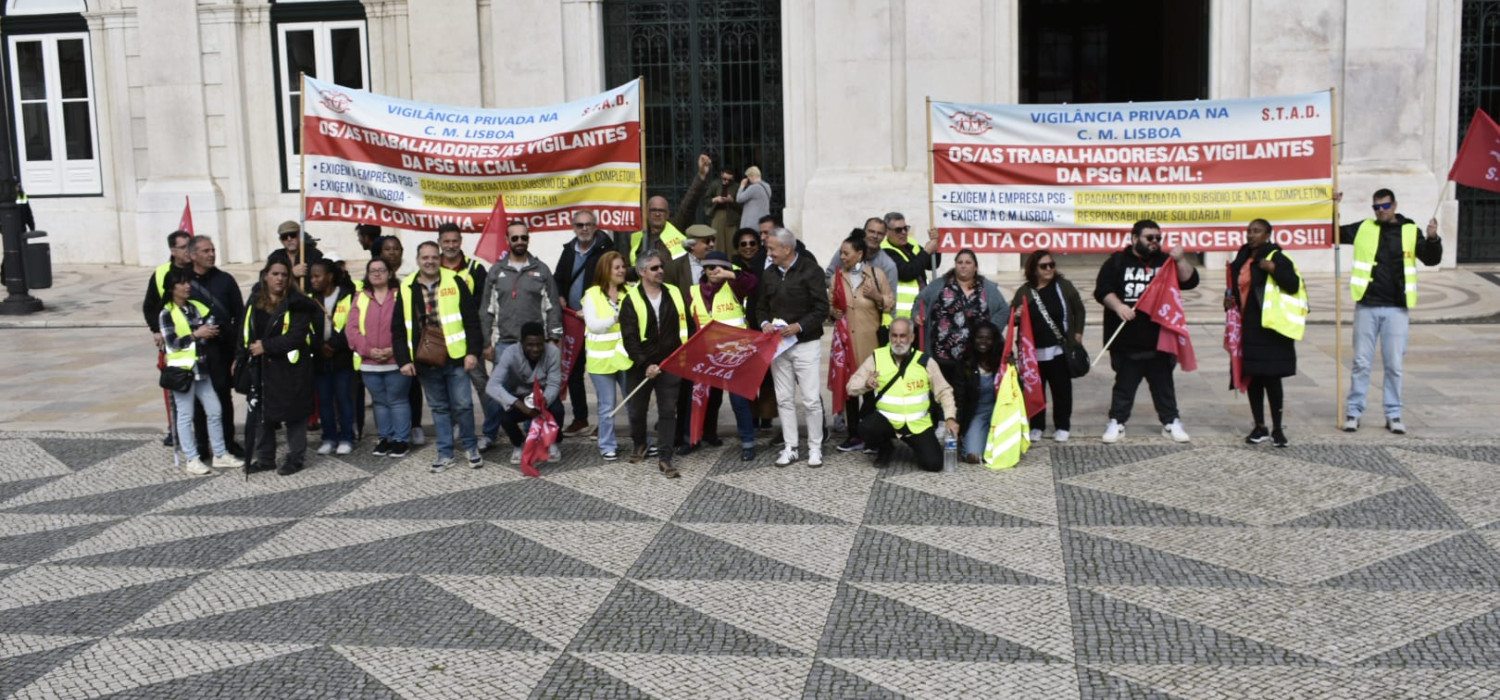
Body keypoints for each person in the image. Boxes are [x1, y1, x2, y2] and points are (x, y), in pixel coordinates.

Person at [1336, 189, 1443, 434]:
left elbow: (1431, 259)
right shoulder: (1364, 228)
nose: (1381, 211)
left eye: (1385, 206)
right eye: (1376, 207)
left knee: (1394, 364)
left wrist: (1433, 239)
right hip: (1367, 304)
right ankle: (1354, 411)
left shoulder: (1409, 230)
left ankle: (1393, 413)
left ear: (1394, 205)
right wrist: (1335, 207)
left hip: (1397, 307)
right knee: (1361, 362)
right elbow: (1335, 234)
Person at [1094, 219, 1200, 443]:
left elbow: (1190, 281)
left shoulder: (1166, 261)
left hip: (1159, 339)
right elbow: (1102, 290)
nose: (1154, 242)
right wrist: (1119, 306)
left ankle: (1171, 422)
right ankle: (1117, 422)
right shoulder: (1117, 261)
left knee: (1164, 386)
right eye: (1149, 238)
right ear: (1134, 239)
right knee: (1124, 385)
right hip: (1127, 339)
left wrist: (1180, 259)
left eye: (1158, 238)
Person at [394, 241, 484, 473]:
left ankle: (471, 448)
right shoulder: (407, 286)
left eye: (434, 257)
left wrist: (473, 352)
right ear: (417, 260)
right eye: (425, 257)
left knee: (463, 405)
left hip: (455, 356)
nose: (430, 261)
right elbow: (398, 327)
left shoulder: (454, 281)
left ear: (439, 258)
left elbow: (471, 320)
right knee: (439, 408)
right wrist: (404, 359)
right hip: (425, 359)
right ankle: (445, 453)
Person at [158, 267, 244, 474]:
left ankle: (220, 453)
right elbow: (173, 343)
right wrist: (197, 335)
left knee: (215, 411)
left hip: (201, 369)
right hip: (182, 373)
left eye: (188, 282)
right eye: (182, 283)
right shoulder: (167, 313)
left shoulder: (195, 307)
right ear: (172, 288)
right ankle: (191, 458)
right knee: (185, 416)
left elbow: (203, 332)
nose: (187, 286)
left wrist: (209, 332)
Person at [1228, 219, 1306, 447]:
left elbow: (1292, 284)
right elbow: (1234, 284)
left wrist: (1273, 270)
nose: (1251, 235)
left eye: (1257, 231)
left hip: (1271, 327)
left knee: (1272, 378)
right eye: (1249, 231)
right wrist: (1229, 297)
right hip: (1248, 326)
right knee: (1253, 377)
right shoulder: (1242, 257)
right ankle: (1259, 426)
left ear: (1268, 234)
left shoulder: (1276, 257)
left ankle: (1278, 428)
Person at [846, 317, 960, 470]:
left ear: (911, 337)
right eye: (894, 335)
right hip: (887, 422)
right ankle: (885, 448)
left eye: (903, 336)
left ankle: (916, 445)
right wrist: (866, 383)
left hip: (917, 425)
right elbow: (851, 387)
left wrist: (950, 418)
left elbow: (944, 391)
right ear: (889, 336)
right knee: (867, 427)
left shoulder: (925, 361)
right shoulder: (877, 357)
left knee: (934, 464)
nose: (898, 340)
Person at [759, 227, 830, 467]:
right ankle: (790, 447)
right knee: (784, 400)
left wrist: (799, 326)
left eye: (771, 248)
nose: (768, 253)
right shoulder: (769, 273)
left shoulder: (811, 271)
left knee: (811, 400)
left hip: (805, 344)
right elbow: (760, 307)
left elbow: (822, 308)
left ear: (787, 249)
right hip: (779, 346)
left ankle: (815, 447)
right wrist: (765, 323)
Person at [240, 260, 318, 475]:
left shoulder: (298, 303)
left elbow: (295, 337)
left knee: (294, 415)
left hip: (290, 370)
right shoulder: (255, 301)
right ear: (265, 275)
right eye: (275, 274)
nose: (280, 278)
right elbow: (244, 329)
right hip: (261, 368)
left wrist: (265, 346)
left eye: (284, 274)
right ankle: (265, 457)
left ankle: (296, 457)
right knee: (261, 413)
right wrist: (240, 356)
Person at [619, 250, 689, 478]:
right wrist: (645, 364)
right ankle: (640, 442)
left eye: (661, 267)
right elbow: (629, 338)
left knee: (668, 411)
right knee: (638, 411)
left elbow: (685, 325)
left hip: (670, 362)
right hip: (641, 365)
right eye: (654, 268)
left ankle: (665, 457)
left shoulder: (674, 293)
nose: (660, 271)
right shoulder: (631, 300)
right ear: (641, 272)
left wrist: (681, 356)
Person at [687, 251, 760, 459]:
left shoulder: (734, 285)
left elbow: (753, 283)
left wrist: (730, 274)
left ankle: (748, 443)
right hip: (706, 354)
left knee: (738, 401)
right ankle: (696, 437)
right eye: (710, 267)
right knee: (701, 399)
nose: (714, 271)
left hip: (734, 354)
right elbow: (689, 323)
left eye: (719, 267)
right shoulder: (693, 291)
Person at [1010, 249, 1086, 443]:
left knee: (1061, 389)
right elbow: (1012, 317)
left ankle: (1062, 425)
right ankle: (1037, 425)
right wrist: (1017, 315)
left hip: (1059, 349)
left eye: (1052, 265)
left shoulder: (1063, 286)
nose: (1049, 269)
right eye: (1044, 266)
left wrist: (1077, 333)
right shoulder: (1025, 291)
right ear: (1034, 269)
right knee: (1035, 389)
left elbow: (1079, 308)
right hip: (1033, 351)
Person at [914, 248, 1010, 400]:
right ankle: (942, 421)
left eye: (968, 262)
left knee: (968, 396)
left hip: (973, 357)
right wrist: (917, 315)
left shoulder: (987, 288)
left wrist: (991, 331)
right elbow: (920, 301)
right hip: (942, 356)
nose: (963, 266)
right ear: (955, 265)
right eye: (960, 262)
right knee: (942, 394)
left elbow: (1004, 310)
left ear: (975, 267)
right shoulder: (940, 285)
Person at [830, 234, 894, 454]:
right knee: (849, 391)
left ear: (860, 254)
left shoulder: (877, 275)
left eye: (846, 253)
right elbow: (831, 306)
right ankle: (853, 434)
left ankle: (871, 435)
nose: (842, 256)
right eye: (841, 252)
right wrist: (833, 312)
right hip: (846, 343)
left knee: (870, 390)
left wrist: (877, 296)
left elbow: (889, 304)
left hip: (871, 343)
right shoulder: (837, 277)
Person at [555, 208, 614, 438]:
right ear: (574, 227)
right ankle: (580, 419)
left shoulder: (606, 251)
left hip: (596, 322)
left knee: (600, 373)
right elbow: (559, 278)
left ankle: (604, 421)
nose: (584, 229)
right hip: (572, 321)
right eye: (580, 225)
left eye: (588, 224)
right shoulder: (569, 250)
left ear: (595, 226)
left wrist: (589, 310)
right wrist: (560, 295)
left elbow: (609, 284)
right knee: (573, 371)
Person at [186, 235, 244, 462]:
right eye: (205, 251)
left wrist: (239, 352)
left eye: (212, 250)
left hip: (222, 348)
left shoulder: (225, 280)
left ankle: (227, 442)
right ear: (192, 255)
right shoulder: (183, 282)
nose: (211, 254)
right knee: (198, 399)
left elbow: (239, 316)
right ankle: (202, 444)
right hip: (196, 350)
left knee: (222, 396)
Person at [346, 257, 410, 458]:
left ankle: (401, 439)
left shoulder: (401, 295)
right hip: (369, 362)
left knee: (398, 400)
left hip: (396, 361)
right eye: (372, 270)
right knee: (380, 402)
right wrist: (368, 350)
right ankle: (385, 438)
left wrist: (394, 349)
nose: (377, 273)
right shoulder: (361, 297)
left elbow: (410, 326)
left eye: (381, 270)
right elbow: (352, 329)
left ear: (390, 273)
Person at [438, 222, 494, 448]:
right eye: (446, 241)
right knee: (447, 386)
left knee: (481, 383)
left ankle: (491, 428)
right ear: (440, 243)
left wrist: (483, 339)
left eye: (454, 241)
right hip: (443, 341)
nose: (451, 245)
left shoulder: (475, 269)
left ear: (461, 242)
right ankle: (455, 426)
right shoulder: (433, 269)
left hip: (471, 340)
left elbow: (485, 306)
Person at [666, 224, 719, 452]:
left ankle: (709, 431)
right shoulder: (675, 267)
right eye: (707, 241)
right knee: (687, 389)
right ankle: (684, 434)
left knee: (714, 387)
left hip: (713, 336)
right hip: (686, 336)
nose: (711, 245)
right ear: (692, 245)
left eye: (712, 241)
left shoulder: (717, 264)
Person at [486, 322, 565, 466]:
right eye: (530, 345)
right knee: (503, 415)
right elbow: (492, 385)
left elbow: (554, 384)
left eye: (539, 344)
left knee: (558, 410)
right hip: (520, 396)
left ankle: (553, 442)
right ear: (521, 343)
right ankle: (518, 444)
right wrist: (520, 405)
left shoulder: (553, 352)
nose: (535, 349)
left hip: (544, 395)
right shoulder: (510, 353)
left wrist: (543, 403)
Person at [143, 230, 194, 446]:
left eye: (189, 246)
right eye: (183, 247)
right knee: (173, 390)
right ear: (173, 251)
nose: (188, 251)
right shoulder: (162, 273)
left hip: (197, 340)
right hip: (173, 342)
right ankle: (174, 429)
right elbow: (150, 306)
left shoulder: (197, 268)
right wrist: (156, 330)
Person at [582, 251, 634, 461]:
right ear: (606, 270)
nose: (622, 270)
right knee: (607, 405)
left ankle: (641, 441)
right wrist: (616, 318)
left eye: (623, 266)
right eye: (617, 267)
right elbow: (594, 326)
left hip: (625, 357)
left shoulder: (630, 291)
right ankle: (607, 444)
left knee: (633, 402)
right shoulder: (592, 294)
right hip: (601, 361)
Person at [624, 153, 712, 266]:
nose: (657, 214)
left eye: (661, 211)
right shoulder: (637, 236)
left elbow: (688, 205)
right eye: (653, 210)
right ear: (646, 213)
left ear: (667, 214)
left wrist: (701, 176)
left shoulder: (675, 227)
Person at [378, 235, 424, 446]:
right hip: (381, 344)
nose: (392, 252)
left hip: (406, 341)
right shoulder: (375, 278)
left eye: (396, 248)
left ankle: (415, 425)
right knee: (388, 394)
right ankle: (390, 432)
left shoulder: (410, 277)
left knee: (412, 386)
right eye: (388, 249)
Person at [309, 258, 357, 456]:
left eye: (317, 276)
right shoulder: (311, 298)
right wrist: (319, 345)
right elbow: (305, 327)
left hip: (341, 357)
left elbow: (352, 325)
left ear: (329, 277)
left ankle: (346, 436)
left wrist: (334, 345)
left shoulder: (347, 295)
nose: (313, 280)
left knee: (344, 398)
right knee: (325, 400)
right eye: (311, 276)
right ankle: (328, 437)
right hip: (320, 358)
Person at [956, 322, 1003, 462]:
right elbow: (959, 397)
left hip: (999, 413)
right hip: (977, 412)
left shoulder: (1003, 362)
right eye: (979, 337)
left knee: (1000, 454)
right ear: (973, 339)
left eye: (988, 338)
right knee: (973, 455)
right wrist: (958, 425)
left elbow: (1017, 391)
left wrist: (1012, 368)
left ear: (994, 341)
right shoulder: (965, 363)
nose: (983, 342)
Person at [881, 212, 939, 321]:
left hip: (919, 310)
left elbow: (932, 264)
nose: (903, 232)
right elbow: (907, 272)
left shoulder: (911, 244)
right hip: (900, 316)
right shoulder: (884, 251)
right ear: (887, 231)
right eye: (898, 230)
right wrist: (927, 251)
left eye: (905, 228)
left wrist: (935, 244)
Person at [268, 220, 322, 289]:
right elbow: (265, 279)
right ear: (281, 240)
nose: (289, 239)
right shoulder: (275, 256)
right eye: (284, 237)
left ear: (300, 235)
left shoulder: (314, 254)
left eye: (292, 235)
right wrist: (291, 273)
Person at [704, 165, 742, 252]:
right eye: (724, 179)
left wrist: (731, 201)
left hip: (732, 216)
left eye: (729, 180)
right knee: (717, 242)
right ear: (721, 175)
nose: (726, 181)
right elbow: (706, 199)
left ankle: (732, 263)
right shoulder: (715, 184)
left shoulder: (736, 187)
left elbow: (741, 205)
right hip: (718, 214)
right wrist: (715, 199)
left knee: (731, 243)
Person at [736, 165, 772, 230]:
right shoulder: (767, 186)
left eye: (748, 177)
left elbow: (739, 199)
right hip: (763, 221)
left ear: (751, 176)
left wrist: (742, 186)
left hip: (751, 222)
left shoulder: (754, 188)